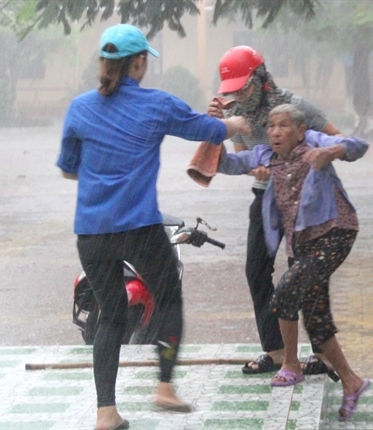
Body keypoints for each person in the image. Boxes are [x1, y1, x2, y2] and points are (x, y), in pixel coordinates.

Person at [57, 24, 250, 430]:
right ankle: (164, 386)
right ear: (140, 62)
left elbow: (69, 170)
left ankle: (105, 412)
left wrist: (105, 171)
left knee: (110, 316)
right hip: (138, 228)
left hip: (91, 234)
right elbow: (209, 129)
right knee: (169, 299)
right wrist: (238, 125)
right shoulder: (157, 105)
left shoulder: (79, 108)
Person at [217, 103, 370, 422]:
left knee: (285, 293)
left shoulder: (315, 142)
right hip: (301, 244)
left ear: (300, 131)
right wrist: (216, 129)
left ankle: (290, 364)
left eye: (284, 125)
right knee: (315, 316)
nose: (274, 132)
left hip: (334, 232)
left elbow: (358, 145)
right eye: (271, 126)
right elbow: (226, 164)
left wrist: (333, 153)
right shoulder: (264, 157)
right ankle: (351, 381)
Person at [207, 46, 344, 375]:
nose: (238, 94)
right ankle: (277, 350)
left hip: (303, 203)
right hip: (265, 200)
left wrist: (318, 160)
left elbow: (339, 139)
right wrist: (214, 126)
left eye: (244, 86)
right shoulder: (238, 113)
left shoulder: (295, 108)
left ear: (262, 78)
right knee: (256, 270)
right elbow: (242, 156)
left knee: (307, 275)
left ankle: (322, 354)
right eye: (233, 90)